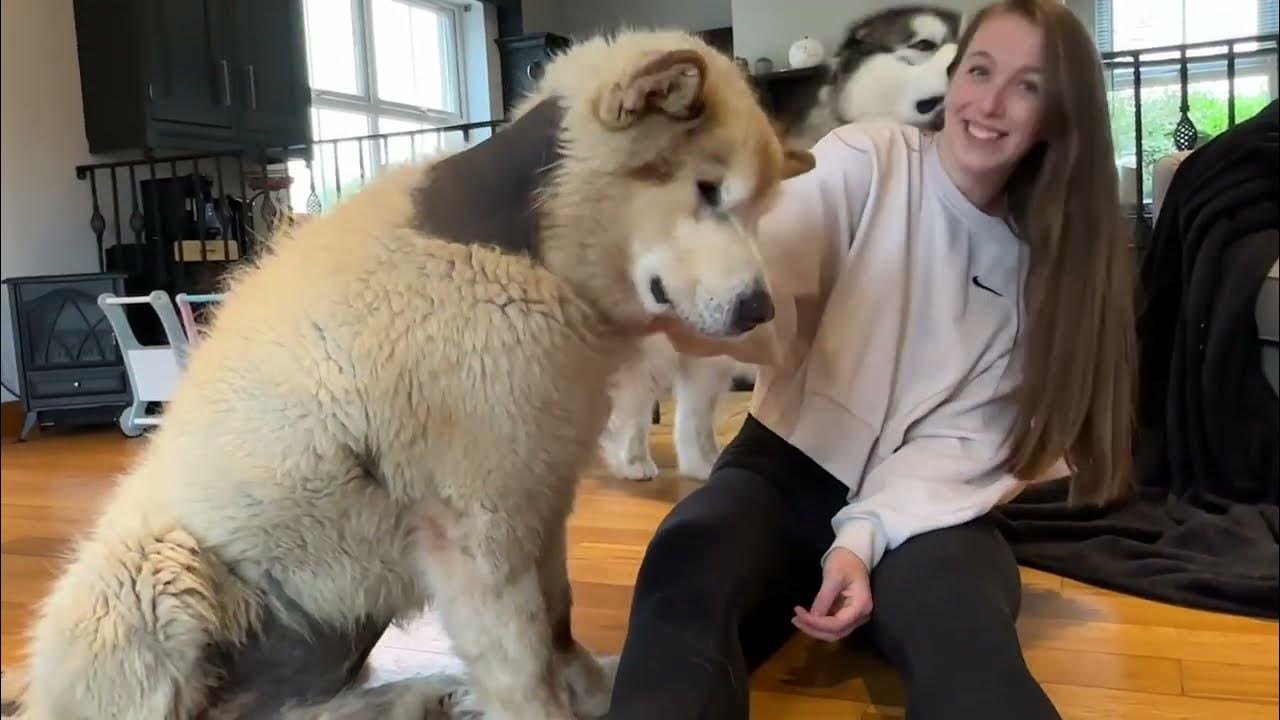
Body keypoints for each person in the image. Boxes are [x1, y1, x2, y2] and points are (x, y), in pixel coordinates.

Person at [609, 1, 1136, 718]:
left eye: (1027, 85)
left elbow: (969, 443)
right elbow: (774, 278)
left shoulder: (1045, 270)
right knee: (687, 564)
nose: (989, 102)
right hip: (780, 471)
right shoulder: (868, 156)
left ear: (1059, 113)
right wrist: (690, 307)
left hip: (930, 510)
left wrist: (861, 538)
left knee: (963, 632)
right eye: (977, 70)